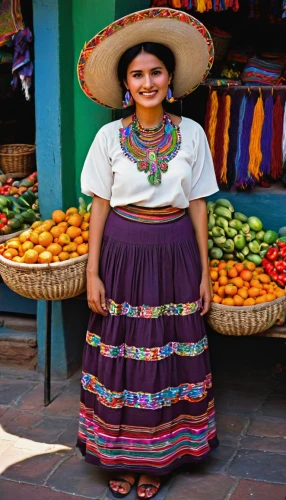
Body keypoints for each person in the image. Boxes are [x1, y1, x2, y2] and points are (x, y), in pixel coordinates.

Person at [76, 7, 219, 499]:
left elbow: (198, 204)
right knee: (124, 353)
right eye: (137, 74)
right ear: (125, 85)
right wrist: (92, 272)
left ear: (170, 79)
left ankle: (160, 458)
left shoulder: (193, 135)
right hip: (122, 255)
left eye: (155, 71)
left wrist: (205, 272)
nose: (147, 81)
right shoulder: (108, 138)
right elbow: (98, 205)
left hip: (175, 253)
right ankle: (121, 453)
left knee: (168, 354)